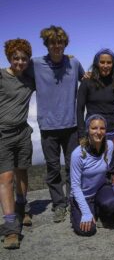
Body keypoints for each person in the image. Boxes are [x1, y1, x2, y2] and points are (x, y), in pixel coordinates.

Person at [27, 25, 85, 223]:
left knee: (72, 167)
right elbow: (18, 75)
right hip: (48, 127)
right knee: (53, 169)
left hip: (71, 125)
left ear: (65, 44)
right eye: (52, 42)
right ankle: (59, 205)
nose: (57, 46)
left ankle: (73, 199)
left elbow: (86, 80)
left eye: (60, 42)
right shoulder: (35, 64)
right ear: (46, 44)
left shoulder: (74, 63)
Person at [0, 39, 35, 249]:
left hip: (22, 132)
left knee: (22, 171)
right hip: (2, 133)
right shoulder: (1, 76)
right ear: (9, 58)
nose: (20, 62)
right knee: (6, 177)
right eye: (16, 58)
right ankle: (11, 227)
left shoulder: (30, 80)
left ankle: (22, 208)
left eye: (23, 58)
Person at [70, 114, 114, 236]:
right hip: (83, 195)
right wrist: (86, 213)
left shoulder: (109, 146)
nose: (98, 132)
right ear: (88, 130)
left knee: (113, 203)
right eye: (94, 128)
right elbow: (75, 187)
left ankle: (97, 209)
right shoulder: (78, 154)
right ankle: (78, 211)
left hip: (100, 190)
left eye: (102, 128)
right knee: (87, 230)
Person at [77, 48, 114, 176]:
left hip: (113, 130)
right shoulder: (87, 82)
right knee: (92, 166)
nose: (105, 65)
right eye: (102, 62)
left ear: (113, 64)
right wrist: (81, 134)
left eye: (109, 62)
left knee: (112, 165)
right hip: (93, 132)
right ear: (97, 63)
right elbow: (79, 109)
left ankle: (110, 192)